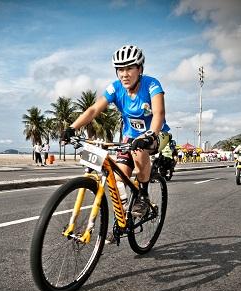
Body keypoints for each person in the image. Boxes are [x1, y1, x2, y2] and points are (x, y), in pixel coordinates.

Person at [61, 45, 170, 216]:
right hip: (129, 137)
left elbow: (159, 114)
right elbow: (93, 110)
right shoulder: (115, 88)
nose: (124, 74)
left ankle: (143, 195)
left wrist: (150, 134)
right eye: (120, 69)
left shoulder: (152, 84)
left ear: (140, 69)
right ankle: (124, 220)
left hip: (157, 133)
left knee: (139, 149)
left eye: (129, 68)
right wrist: (72, 127)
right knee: (118, 181)